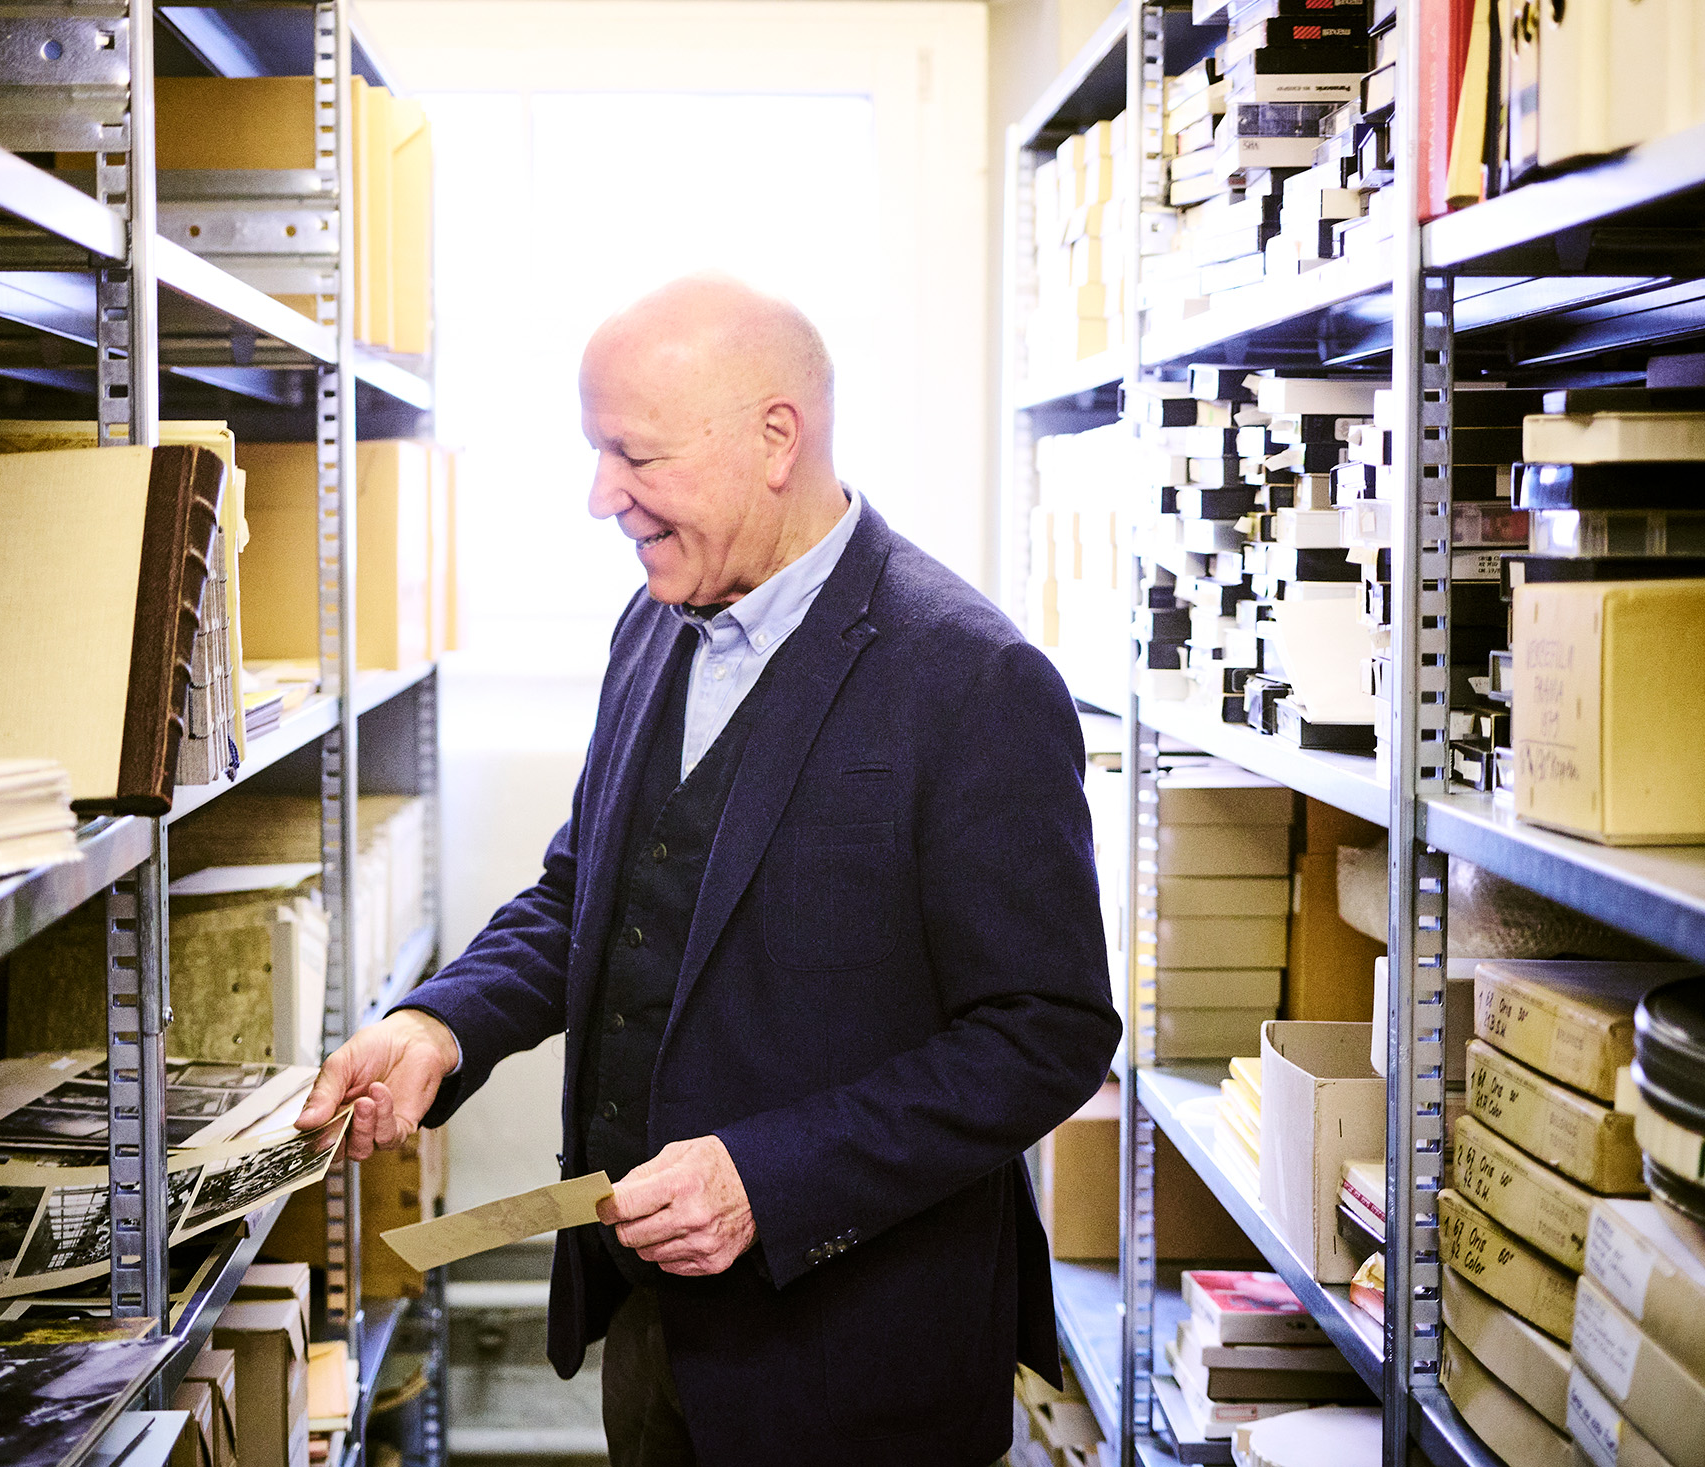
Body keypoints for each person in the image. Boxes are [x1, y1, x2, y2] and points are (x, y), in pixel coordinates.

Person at [296, 273, 1120, 1466]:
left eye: (633, 455)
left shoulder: (971, 678)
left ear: (775, 437)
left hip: (855, 1365)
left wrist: (767, 1179)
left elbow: (1044, 1030)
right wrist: (439, 1027)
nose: (599, 497)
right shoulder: (652, 624)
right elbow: (586, 896)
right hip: (650, 1330)